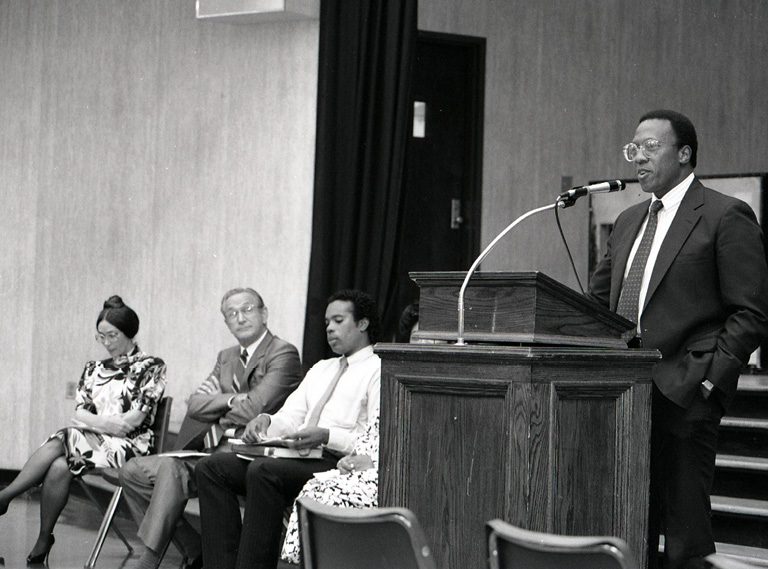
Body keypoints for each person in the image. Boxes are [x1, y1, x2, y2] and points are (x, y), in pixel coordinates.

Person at [588, 110, 768, 569]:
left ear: (684, 154)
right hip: (622, 395)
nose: (638, 158)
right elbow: (596, 304)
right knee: (628, 525)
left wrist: (711, 382)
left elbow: (750, 312)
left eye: (650, 147)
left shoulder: (725, 214)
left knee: (685, 535)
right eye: (633, 149)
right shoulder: (629, 220)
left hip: (686, 391)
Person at [195, 289, 381, 569]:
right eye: (327, 322)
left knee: (263, 472)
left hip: (334, 461)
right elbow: (291, 415)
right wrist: (267, 421)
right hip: (296, 454)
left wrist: (327, 435)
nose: (329, 328)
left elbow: (374, 437)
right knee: (212, 467)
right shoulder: (322, 368)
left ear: (363, 324)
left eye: (338, 321)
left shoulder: (378, 369)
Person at [119, 288, 302, 569]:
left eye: (248, 310)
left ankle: (149, 559)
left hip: (247, 456)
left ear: (264, 314)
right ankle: (195, 548)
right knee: (132, 471)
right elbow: (194, 404)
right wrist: (231, 399)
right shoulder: (226, 356)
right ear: (226, 322)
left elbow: (255, 408)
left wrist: (220, 408)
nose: (240, 318)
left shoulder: (283, 353)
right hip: (210, 449)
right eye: (231, 313)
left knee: (170, 469)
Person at [0, 296, 167, 564]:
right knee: (58, 466)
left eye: (112, 335)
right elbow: (79, 411)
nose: (107, 342)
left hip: (131, 448)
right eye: (101, 337)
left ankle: (6, 496)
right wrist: (105, 423)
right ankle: (44, 536)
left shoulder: (151, 366)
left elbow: (134, 420)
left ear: (129, 333)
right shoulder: (94, 368)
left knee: (65, 436)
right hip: (93, 442)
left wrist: (93, 422)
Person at [280, 412, 379, 565]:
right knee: (313, 489)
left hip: (386, 474)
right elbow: (364, 444)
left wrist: (371, 462)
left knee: (332, 496)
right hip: (354, 468)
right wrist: (350, 461)